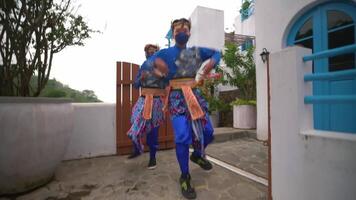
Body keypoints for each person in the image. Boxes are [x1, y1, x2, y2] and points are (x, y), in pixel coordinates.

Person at [153, 18, 221, 199]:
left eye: (184, 29)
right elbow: (151, 65)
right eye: (177, 30)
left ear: (189, 33)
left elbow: (217, 53)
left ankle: (198, 155)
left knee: (208, 132)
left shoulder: (196, 51)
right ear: (173, 33)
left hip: (194, 95)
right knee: (182, 137)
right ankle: (185, 175)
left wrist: (209, 65)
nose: (181, 32)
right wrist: (160, 74)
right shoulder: (165, 53)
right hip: (176, 98)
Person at [126, 44, 166, 170]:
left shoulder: (162, 67)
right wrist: (140, 79)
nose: (150, 53)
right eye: (148, 52)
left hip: (156, 101)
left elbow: (167, 83)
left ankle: (152, 158)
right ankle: (137, 148)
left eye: (153, 51)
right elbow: (136, 84)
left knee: (153, 130)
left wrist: (161, 75)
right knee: (134, 120)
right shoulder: (143, 66)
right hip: (143, 100)